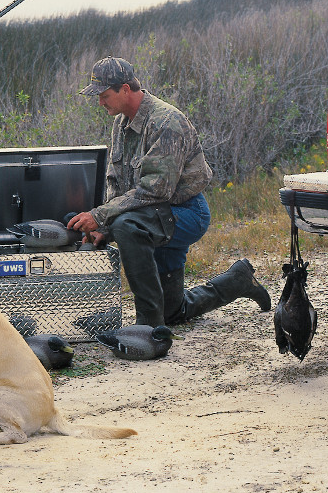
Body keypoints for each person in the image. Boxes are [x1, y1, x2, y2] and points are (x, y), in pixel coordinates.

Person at [67, 57, 270, 336]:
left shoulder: (166, 122)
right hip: (152, 217)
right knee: (173, 311)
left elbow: (155, 190)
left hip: (185, 214)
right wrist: (102, 228)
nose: (100, 102)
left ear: (125, 89)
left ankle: (149, 328)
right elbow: (117, 182)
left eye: (104, 95)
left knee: (126, 227)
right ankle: (237, 281)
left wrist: (102, 217)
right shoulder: (121, 124)